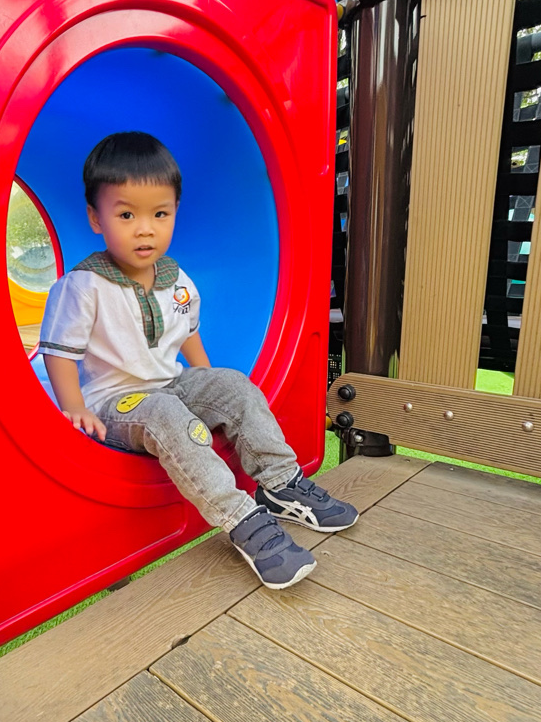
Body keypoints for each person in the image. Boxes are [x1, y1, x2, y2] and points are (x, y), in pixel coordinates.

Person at [39, 132, 358, 589]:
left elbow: (188, 332)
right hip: (117, 402)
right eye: (126, 215)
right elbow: (59, 351)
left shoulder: (176, 278)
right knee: (166, 414)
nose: (145, 229)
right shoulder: (83, 286)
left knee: (233, 385)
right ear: (95, 218)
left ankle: (281, 483)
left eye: (160, 214)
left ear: (175, 212)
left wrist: (209, 383)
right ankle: (243, 519)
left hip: (169, 384)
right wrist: (75, 408)